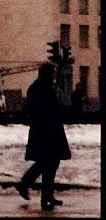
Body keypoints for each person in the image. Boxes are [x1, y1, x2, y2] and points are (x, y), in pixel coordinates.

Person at [16, 62, 71, 211]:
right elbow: (43, 110)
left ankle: (44, 194)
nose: (54, 75)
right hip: (46, 131)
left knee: (49, 163)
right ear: (48, 74)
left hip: (46, 131)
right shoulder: (42, 88)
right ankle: (30, 186)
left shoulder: (40, 87)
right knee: (48, 163)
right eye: (53, 72)